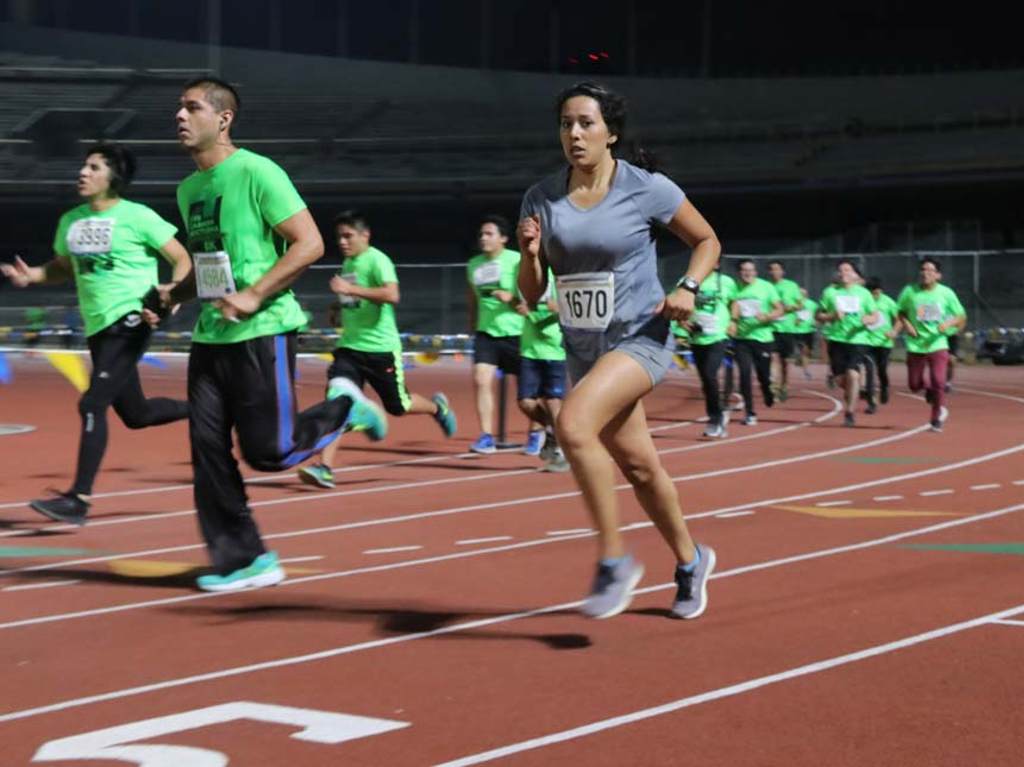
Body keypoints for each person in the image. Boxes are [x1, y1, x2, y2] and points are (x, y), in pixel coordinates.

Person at [159, 77, 386, 591]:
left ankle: (346, 408)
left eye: (192, 107)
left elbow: (308, 244)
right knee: (208, 451)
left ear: (223, 119)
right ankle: (246, 559)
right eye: (178, 108)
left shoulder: (258, 171)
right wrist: (174, 294)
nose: (179, 116)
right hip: (212, 336)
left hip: (263, 331)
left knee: (270, 453)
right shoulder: (188, 188)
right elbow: (205, 262)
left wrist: (255, 293)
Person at [518, 81, 719, 620]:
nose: (574, 134)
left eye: (585, 122)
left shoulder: (646, 188)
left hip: (641, 337)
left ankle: (613, 559)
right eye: (565, 124)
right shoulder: (541, 196)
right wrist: (531, 254)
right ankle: (691, 559)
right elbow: (531, 292)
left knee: (574, 425)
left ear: (611, 133)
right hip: (585, 347)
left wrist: (688, 288)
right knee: (640, 467)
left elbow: (707, 241)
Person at [1, 143, 191, 525]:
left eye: (93, 167)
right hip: (98, 327)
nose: (83, 173)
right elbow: (64, 267)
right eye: (83, 166)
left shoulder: (138, 217)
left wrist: (172, 295)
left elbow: (182, 258)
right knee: (136, 415)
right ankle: (207, 407)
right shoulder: (71, 220)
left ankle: (79, 500)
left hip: (132, 319)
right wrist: (33, 275)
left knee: (91, 404)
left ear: (113, 177)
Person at [297, 211, 457, 489]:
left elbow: (391, 295)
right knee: (337, 401)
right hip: (349, 348)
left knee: (399, 406)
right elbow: (354, 298)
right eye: (339, 237)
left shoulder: (377, 259)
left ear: (364, 235)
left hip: (380, 349)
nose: (343, 242)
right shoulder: (349, 263)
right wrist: (339, 307)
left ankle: (436, 407)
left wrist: (351, 290)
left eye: (348, 236)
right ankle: (324, 467)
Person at [466, 215, 526, 454]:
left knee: (528, 393)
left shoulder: (517, 261)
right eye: (481, 234)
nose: (483, 238)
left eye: (489, 234)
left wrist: (511, 299)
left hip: (518, 331)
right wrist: (471, 323)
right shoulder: (474, 265)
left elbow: (533, 298)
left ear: (503, 238)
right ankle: (486, 436)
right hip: (486, 333)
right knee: (481, 379)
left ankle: (537, 434)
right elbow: (472, 297)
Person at [896, 257, 966, 432]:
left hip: (938, 343)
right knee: (914, 385)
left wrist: (948, 324)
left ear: (938, 275)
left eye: (930, 270)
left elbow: (960, 315)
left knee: (939, 381)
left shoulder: (946, 293)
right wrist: (907, 325)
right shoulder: (909, 292)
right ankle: (928, 390)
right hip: (915, 345)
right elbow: (899, 313)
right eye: (923, 269)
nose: (925, 273)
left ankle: (935, 419)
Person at [514, 261, 569, 471]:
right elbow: (516, 302)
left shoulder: (561, 273)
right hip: (529, 348)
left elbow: (573, 305)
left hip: (555, 348)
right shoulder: (523, 272)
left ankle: (562, 452)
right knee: (525, 402)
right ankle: (553, 431)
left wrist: (561, 307)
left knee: (554, 401)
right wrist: (517, 306)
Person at [816, 259, 878, 427]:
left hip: (858, 340)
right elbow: (818, 316)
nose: (843, 273)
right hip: (837, 340)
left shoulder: (863, 294)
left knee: (853, 373)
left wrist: (868, 319)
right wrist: (831, 316)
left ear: (854, 275)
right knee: (841, 380)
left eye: (847, 270)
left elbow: (875, 315)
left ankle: (849, 413)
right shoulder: (830, 292)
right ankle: (853, 391)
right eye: (841, 270)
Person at [729, 259, 782, 426]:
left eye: (750, 270)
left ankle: (767, 391)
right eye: (744, 270)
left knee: (763, 376)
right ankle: (750, 413)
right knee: (744, 374)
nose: (747, 273)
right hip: (742, 339)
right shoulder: (735, 288)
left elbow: (780, 309)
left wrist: (767, 316)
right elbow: (731, 307)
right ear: (739, 272)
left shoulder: (766, 287)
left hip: (762, 338)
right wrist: (732, 321)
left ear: (756, 272)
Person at [686, 267, 737, 438]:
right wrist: (683, 324)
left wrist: (734, 321)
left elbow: (734, 303)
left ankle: (715, 419)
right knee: (705, 381)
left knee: (710, 375)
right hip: (697, 338)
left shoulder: (726, 281)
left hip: (719, 336)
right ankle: (718, 413)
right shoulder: (688, 280)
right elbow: (679, 305)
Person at [766, 259, 803, 402]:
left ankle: (784, 386)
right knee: (773, 357)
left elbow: (800, 305)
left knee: (785, 361)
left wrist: (789, 308)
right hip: (770, 327)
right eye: (772, 269)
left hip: (787, 328)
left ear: (783, 271)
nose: (775, 272)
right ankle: (774, 388)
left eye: (777, 269)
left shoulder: (791, 286)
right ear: (769, 272)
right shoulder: (766, 286)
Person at [863, 276, 901, 406]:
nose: (875, 295)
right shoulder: (864, 301)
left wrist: (894, 331)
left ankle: (884, 387)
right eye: (872, 293)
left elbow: (899, 320)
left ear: (881, 291)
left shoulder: (888, 302)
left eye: (877, 292)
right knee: (869, 369)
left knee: (882, 370)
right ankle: (871, 401)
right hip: (867, 341)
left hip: (884, 342)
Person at [791, 286, 817, 378]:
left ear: (807, 294)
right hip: (795, 330)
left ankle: (801, 360)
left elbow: (816, 315)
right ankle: (806, 371)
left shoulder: (812, 304)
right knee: (801, 350)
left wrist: (815, 321)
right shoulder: (793, 304)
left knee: (807, 352)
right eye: (800, 293)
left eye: (803, 293)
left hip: (809, 330)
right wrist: (795, 320)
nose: (802, 295)